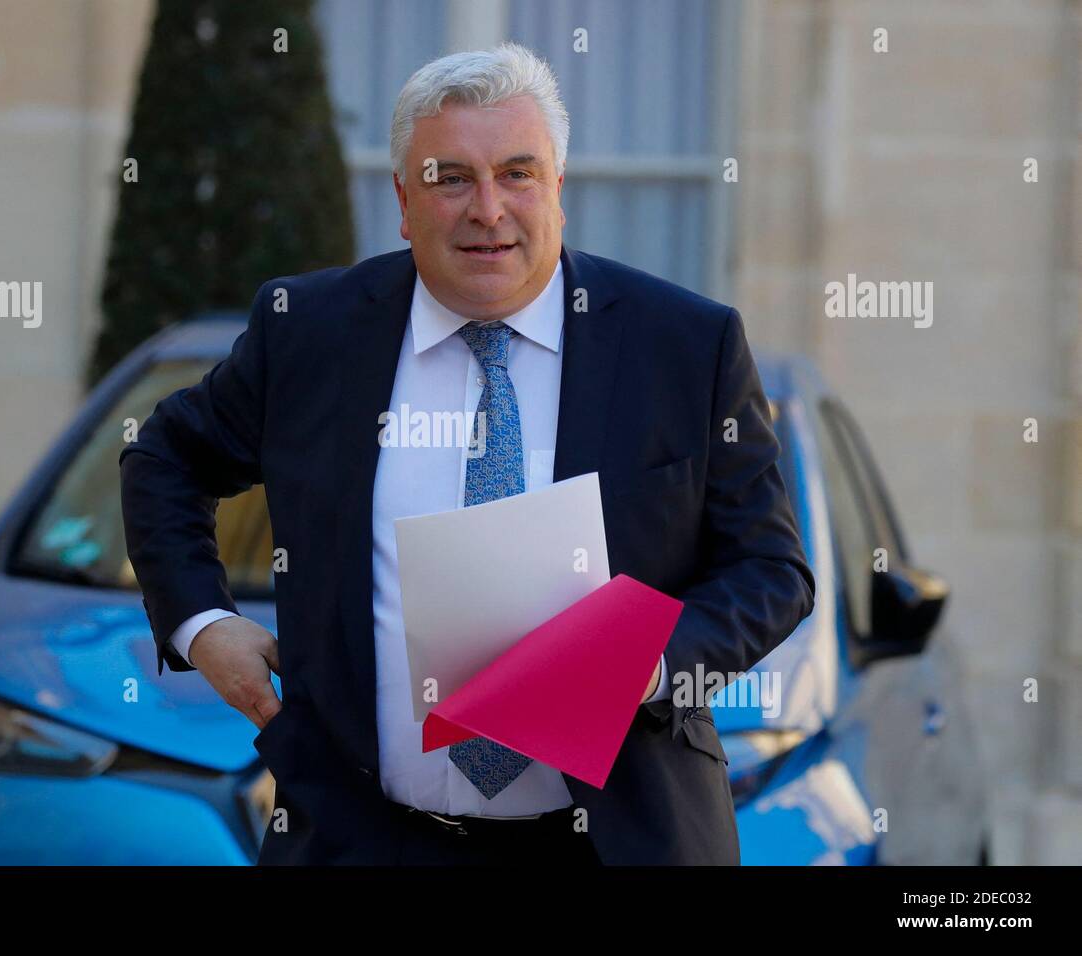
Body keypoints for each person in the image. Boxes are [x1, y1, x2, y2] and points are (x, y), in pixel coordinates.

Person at [119, 41, 814, 865]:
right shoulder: (311, 334)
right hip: (363, 841)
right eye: (452, 177)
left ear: (558, 187)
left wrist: (647, 664)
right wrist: (204, 625)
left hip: (620, 842)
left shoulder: (684, 346)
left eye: (517, 172)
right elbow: (164, 457)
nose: (488, 208)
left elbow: (771, 572)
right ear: (404, 201)